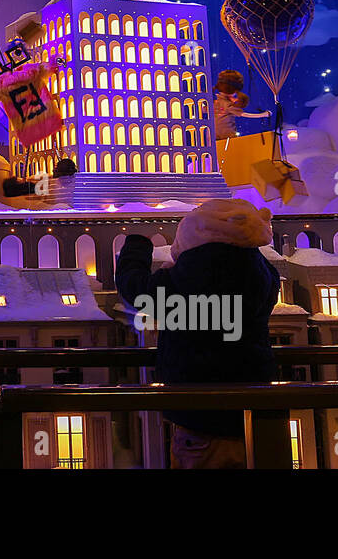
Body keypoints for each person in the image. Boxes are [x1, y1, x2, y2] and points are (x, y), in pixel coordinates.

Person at [114, 199, 281, 469]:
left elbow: (137, 290)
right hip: (254, 408)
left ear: (194, 235)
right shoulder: (259, 269)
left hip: (199, 414)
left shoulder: (192, 273)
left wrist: (136, 247)